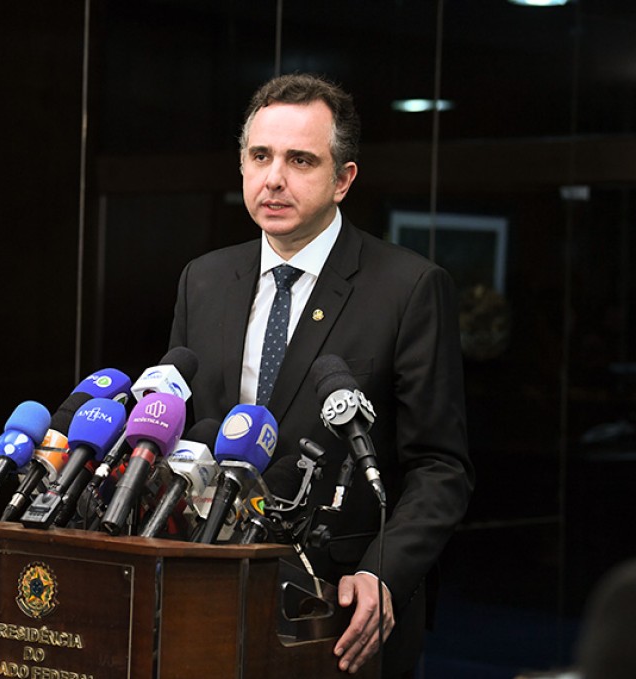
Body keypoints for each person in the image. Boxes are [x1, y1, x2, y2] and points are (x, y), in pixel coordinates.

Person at [168, 73, 474, 677]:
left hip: (339, 607)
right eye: (261, 156)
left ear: (343, 179)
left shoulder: (408, 288)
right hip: (206, 593)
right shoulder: (202, 280)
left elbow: (441, 467)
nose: (274, 178)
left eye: (300, 160)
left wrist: (383, 571)